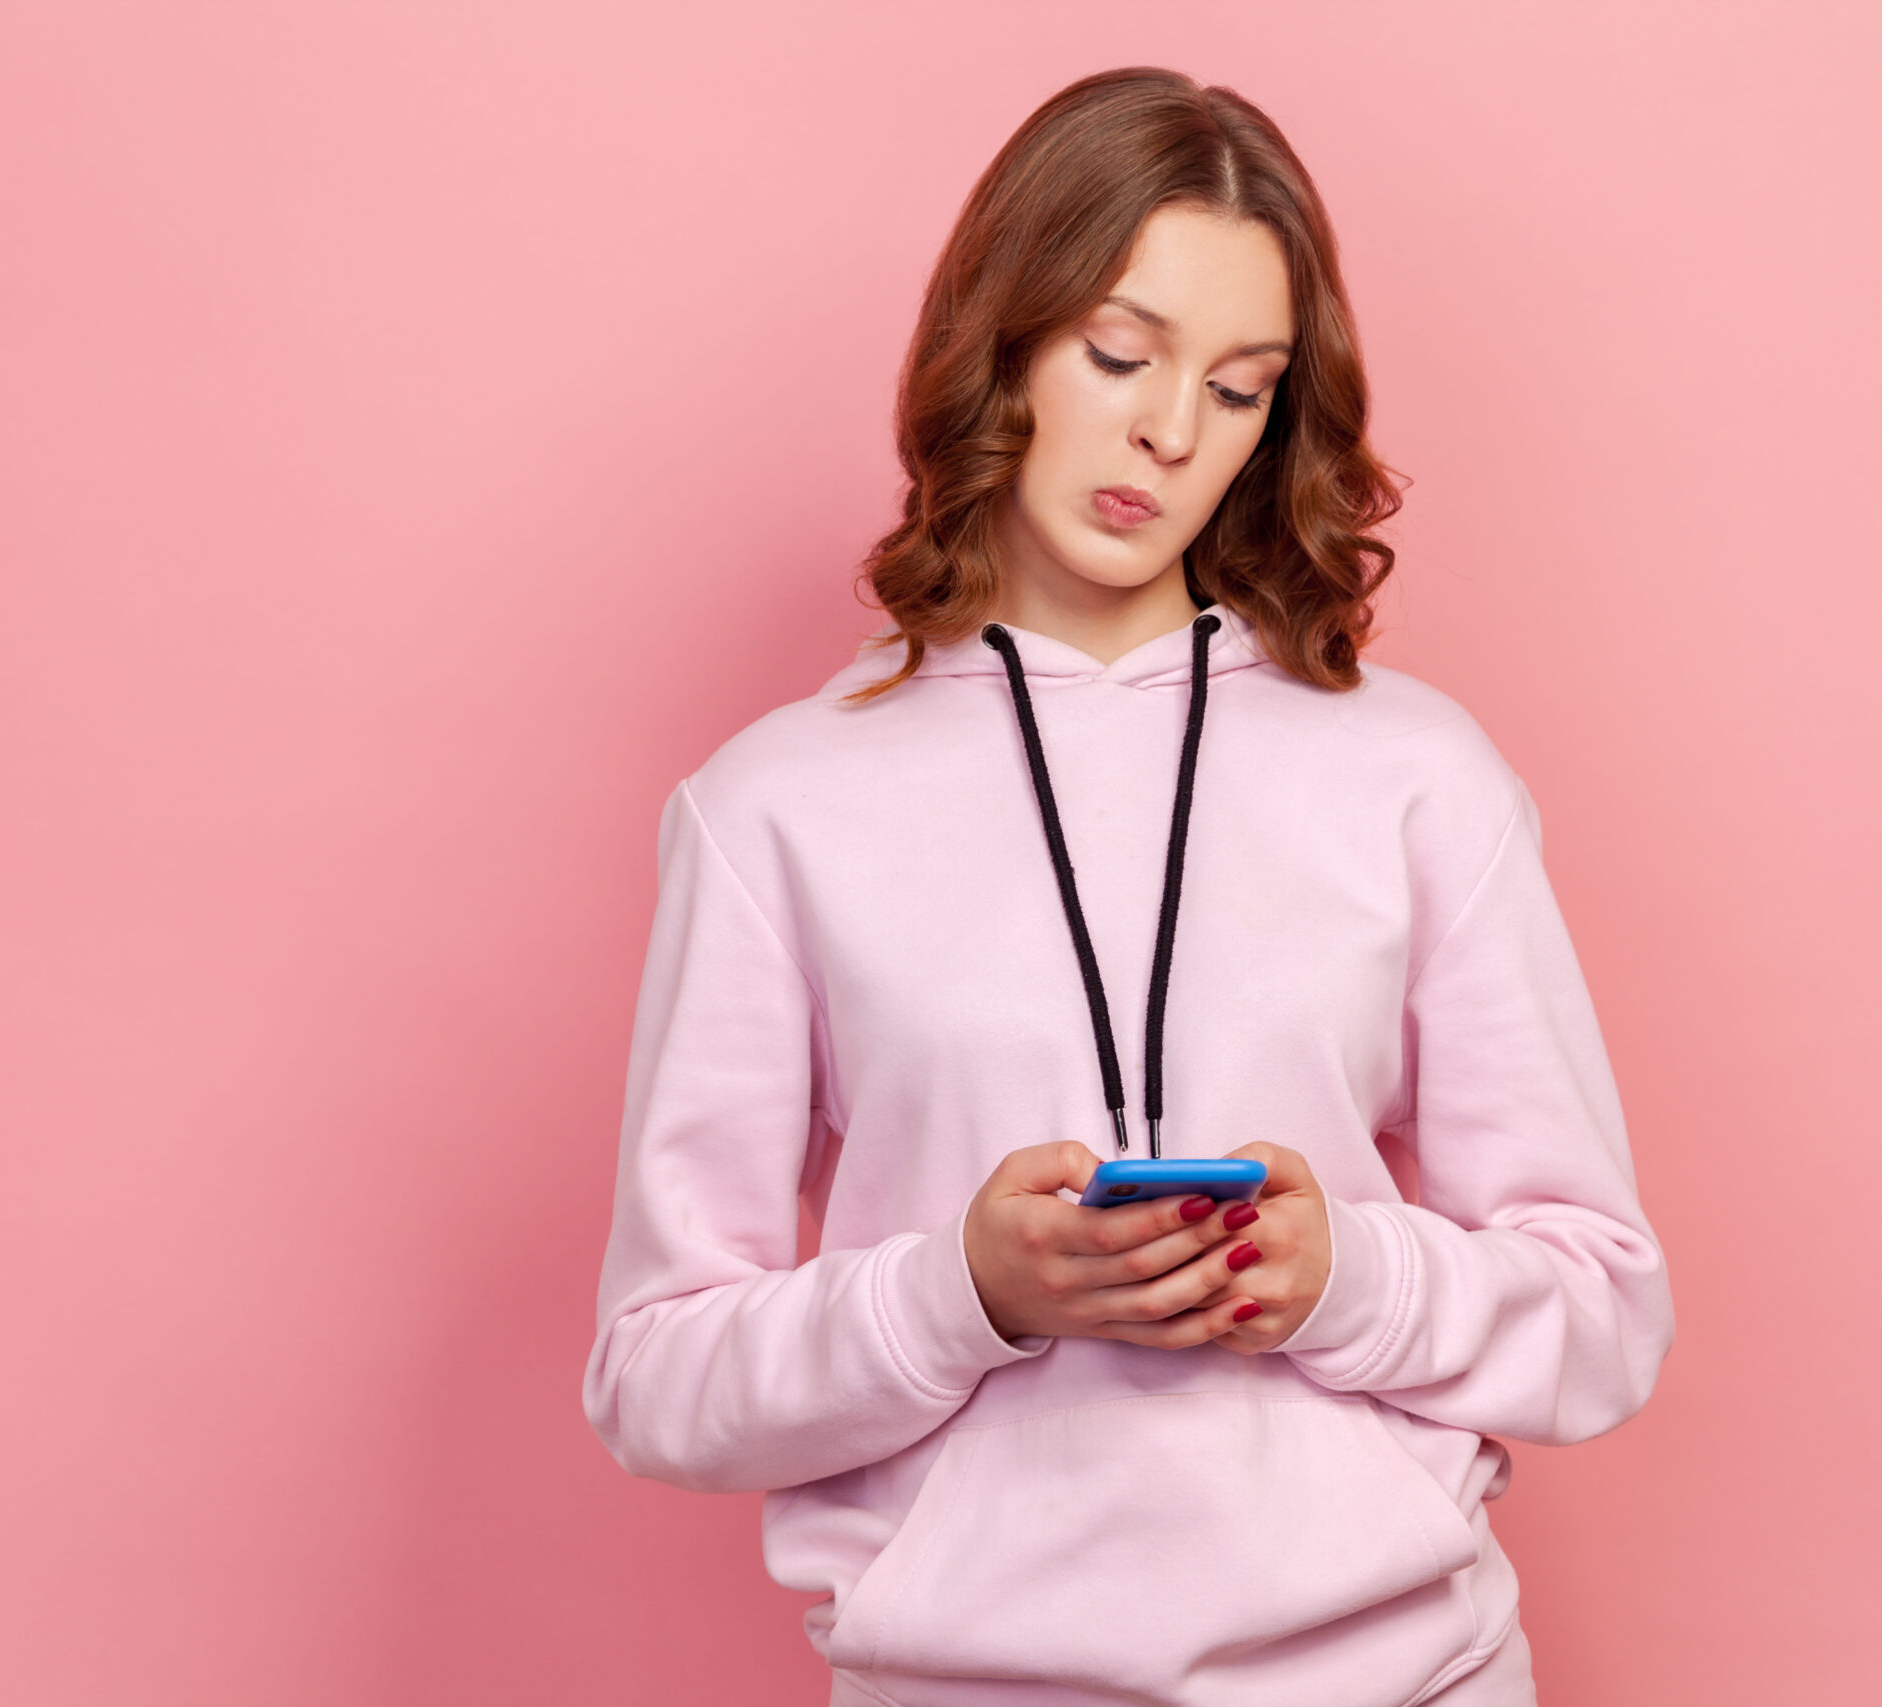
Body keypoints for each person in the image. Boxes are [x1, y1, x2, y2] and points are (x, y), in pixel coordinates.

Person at [582, 67, 1674, 1707]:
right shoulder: (772, 809)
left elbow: (1607, 1312)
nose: (1172, 431)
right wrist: (965, 1292)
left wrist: (1343, 1279)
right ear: (1001, 339)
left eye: (1240, 389)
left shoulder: (1416, 774)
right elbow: (658, 1377)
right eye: (1119, 353)